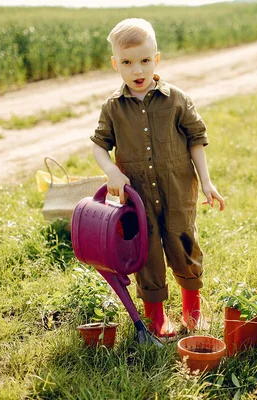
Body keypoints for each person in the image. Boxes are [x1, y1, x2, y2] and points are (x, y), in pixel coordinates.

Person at [91, 18, 224, 337]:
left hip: (178, 194)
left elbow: (196, 139)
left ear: (156, 59)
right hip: (137, 200)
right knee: (146, 255)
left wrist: (206, 182)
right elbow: (98, 146)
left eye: (145, 61)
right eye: (127, 62)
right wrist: (112, 171)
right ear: (115, 64)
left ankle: (193, 313)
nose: (137, 71)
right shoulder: (113, 108)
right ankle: (157, 319)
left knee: (184, 246)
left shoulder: (176, 99)